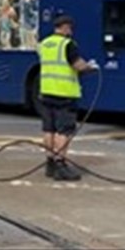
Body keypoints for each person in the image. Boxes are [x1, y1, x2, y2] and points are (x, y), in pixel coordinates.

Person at [37, 15, 99, 181]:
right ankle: (60, 165)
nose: (71, 31)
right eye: (70, 28)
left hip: (46, 92)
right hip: (64, 93)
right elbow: (77, 65)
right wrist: (90, 67)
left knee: (48, 129)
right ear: (64, 27)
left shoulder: (44, 44)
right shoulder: (67, 44)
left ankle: (50, 163)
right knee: (63, 131)